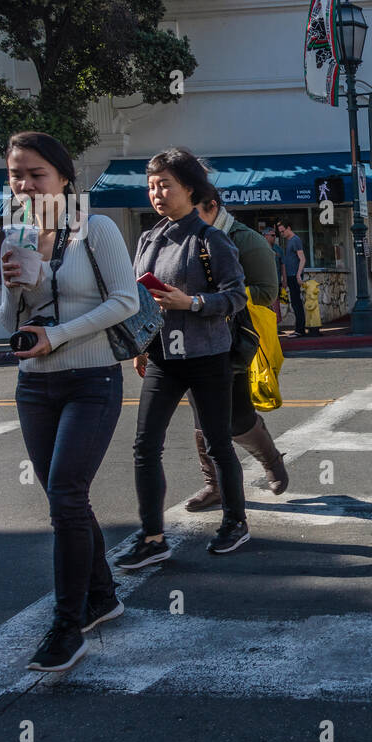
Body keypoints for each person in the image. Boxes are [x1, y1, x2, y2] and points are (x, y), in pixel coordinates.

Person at [0, 131, 139, 672]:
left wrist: (57, 336)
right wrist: (15, 286)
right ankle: (102, 596)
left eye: (37, 174)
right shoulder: (16, 235)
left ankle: (67, 623)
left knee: (65, 494)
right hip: (34, 384)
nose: (26, 184)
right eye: (16, 174)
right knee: (66, 501)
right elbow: (7, 324)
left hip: (91, 379)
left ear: (63, 178)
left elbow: (126, 301)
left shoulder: (95, 228)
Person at [118, 148, 250, 569]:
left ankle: (235, 521)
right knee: (144, 446)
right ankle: (153, 536)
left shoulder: (212, 239)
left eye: (165, 185)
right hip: (161, 356)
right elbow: (139, 298)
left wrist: (189, 302)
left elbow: (235, 297)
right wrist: (139, 345)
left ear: (189, 189)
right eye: (151, 186)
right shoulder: (148, 237)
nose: (156, 193)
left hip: (207, 356)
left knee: (217, 443)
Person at [179, 188, 288, 512]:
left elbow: (268, 291)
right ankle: (214, 485)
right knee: (201, 416)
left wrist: (213, 296)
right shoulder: (180, 238)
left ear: (213, 207)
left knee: (237, 417)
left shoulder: (245, 240)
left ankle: (270, 458)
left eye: (194, 212)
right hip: (191, 339)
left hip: (232, 340)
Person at [278, 219, 306, 337]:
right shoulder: (289, 241)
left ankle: (300, 330)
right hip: (290, 275)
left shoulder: (295, 240)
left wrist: (298, 274)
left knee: (296, 302)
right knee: (295, 303)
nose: (282, 234)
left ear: (289, 228)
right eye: (280, 232)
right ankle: (299, 329)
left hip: (294, 275)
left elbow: (302, 259)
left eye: (283, 231)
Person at [262, 225, 284, 315]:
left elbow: (283, 264)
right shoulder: (259, 248)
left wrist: (285, 280)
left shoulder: (278, 249)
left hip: (276, 281)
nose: (275, 237)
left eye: (275, 235)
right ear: (265, 236)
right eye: (272, 235)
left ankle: (276, 326)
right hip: (264, 282)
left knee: (275, 304)